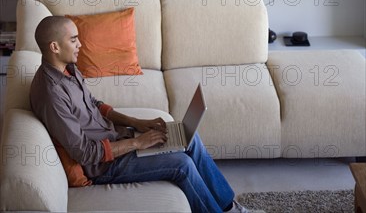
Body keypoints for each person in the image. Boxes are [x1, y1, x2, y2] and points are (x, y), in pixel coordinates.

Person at [30, 16, 253, 213]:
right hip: (104, 166)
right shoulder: (51, 94)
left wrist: (139, 123)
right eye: (73, 40)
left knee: (188, 138)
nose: (80, 44)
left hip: (117, 139)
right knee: (181, 164)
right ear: (54, 47)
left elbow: (94, 104)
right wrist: (138, 143)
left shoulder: (68, 68)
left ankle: (229, 207)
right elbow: (85, 153)